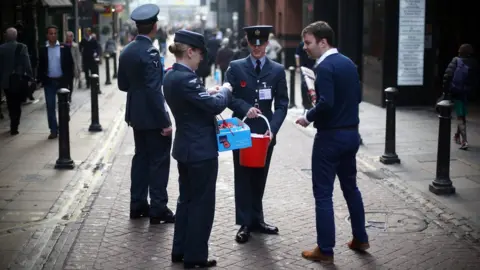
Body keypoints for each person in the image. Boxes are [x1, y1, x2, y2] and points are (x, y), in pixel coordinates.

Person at [295, 21, 369, 264]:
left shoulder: (325, 67)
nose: (305, 48)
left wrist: (307, 116)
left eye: (308, 43)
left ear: (323, 42)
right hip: (351, 135)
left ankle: (325, 249)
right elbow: (357, 97)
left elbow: (326, 103)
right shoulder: (348, 63)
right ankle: (361, 238)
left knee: (323, 194)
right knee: (351, 188)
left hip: (330, 139)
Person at [164, 29, 233, 269]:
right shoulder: (187, 78)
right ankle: (195, 257)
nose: (202, 58)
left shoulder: (172, 76)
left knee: (186, 201)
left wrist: (208, 91)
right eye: (200, 54)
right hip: (200, 151)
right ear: (190, 51)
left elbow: (195, 100)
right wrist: (224, 90)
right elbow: (214, 106)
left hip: (185, 149)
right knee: (202, 205)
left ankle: (180, 249)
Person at [225, 25, 289, 244]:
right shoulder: (235, 67)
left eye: (261, 44)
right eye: (254, 43)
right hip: (241, 130)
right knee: (242, 176)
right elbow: (228, 97)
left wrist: (273, 128)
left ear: (267, 43)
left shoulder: (278, 70)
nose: (258, 48)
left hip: (265, 132)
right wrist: (244, 108)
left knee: (260, 176)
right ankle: (244, 223)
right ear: (248, 42)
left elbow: (282, 104)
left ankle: (257, 219)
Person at [117, 3, 175, 225]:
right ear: (154, 26)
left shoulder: (127, 50)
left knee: (140, 159)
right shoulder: (150, 51)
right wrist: (165, 121)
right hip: (152, 117)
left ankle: (138, 204)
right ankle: (158, 208)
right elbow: (153, 90)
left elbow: (123, 85)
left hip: (136, 115)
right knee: (159, 160)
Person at [37, 25, 74, 140]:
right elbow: (41, 66)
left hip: (62, 81)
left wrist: (68, 80)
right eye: (50, 33)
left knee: (64, 106)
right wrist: (40, 79)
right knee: (50, 107)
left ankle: (63, 124)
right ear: (47, 35)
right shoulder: (43, 49)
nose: (53, 35)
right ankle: (53, 130)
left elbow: (70, 65)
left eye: (55, 33)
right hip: (49, 82)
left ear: (57, 35)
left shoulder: (64, 47)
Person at [444, 43, 478, 150]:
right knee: (462, 114)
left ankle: (464, 141)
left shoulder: (456, 60)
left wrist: (445, 91)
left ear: (460, 51)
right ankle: (457, 136)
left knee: (460, 115)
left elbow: (447, 76)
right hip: (467, 92)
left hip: (457, 92)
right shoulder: (474, 62)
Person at [0, 27, 33, 135]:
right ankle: (15, 125)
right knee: (17, 104)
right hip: (18, 79)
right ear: (16, 36)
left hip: (6, 81)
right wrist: (30, 76)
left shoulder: (1, 48)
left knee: (10, 103)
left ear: (6, 36)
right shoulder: (22, 47)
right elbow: (27, 63)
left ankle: (12, 120)